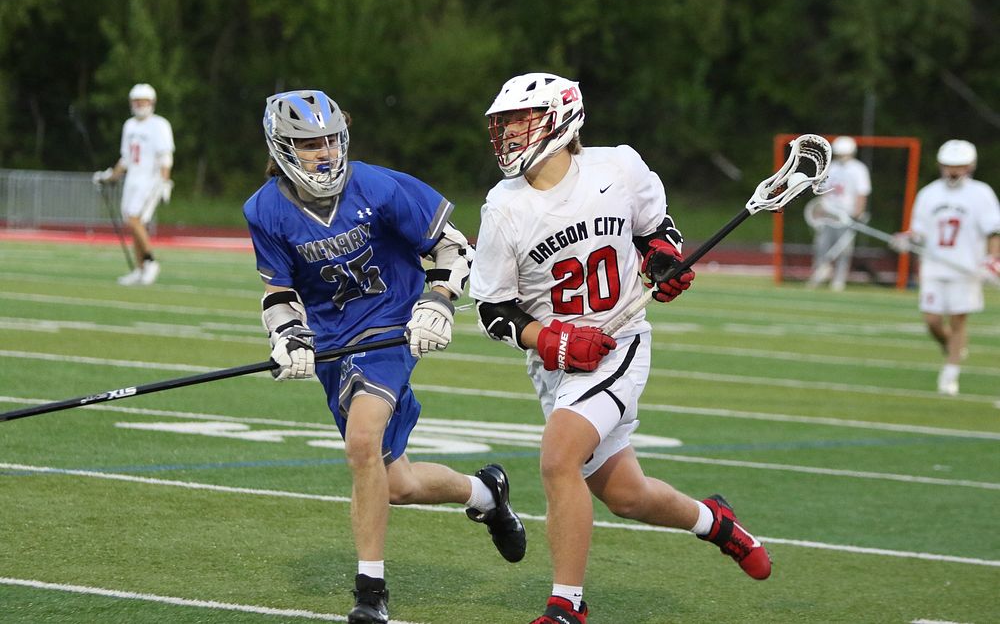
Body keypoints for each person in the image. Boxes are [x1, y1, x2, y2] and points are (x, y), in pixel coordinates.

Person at [468, 73, 771, 624]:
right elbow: (493, 310)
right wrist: (549, 338)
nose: (509, 133)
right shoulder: (503, 207)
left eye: (520, 119)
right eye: (504, 123)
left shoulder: (617, 167)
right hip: (558, 364)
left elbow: (657, 232)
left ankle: (567, 607)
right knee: (627, 495)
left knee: (558, 457)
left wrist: (663, 263)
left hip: (620, 339)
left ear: (561, 119)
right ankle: (717, 522)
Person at [242, 89, 526, 624]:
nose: (324, 152)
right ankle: (486, 493)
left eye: (330, 139)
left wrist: (437, 301)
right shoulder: (265, 210)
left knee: (362, 442)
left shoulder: (376, 185)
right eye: (308, 144)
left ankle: (371, 593)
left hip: (391, 328)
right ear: (282, 148)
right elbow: (278, 292)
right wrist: (288, 337)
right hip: (334, 345)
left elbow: (452, 245)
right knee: (396, 482)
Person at [892, 140, 1000, 396]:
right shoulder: (929, 193)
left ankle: (950, 374)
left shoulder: (981, 193)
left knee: (958, 321)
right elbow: (918, 230)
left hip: (966, 268)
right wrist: (905, 239)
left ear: (970, 167)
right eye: (949, 166)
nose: (953, 172)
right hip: (933, 266)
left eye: (959, 166)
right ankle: (951, 346)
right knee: (931, 320)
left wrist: (992, 258)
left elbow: (993, 230)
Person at [92, 83, 175, 285]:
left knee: (134, 219)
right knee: (131, 222)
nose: (139, 105)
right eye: (136, 101)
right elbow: (126, 159)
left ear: (151, 103)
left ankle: (150, 261)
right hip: (133, 180)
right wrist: (110, 176)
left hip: (151, 180)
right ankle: (140, 269)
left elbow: (165, 156)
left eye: (143, 101)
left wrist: (164, 180)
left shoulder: (159, 124)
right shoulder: (129, 125)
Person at [806, 135, 871, 291]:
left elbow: (862, 192)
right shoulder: (831, 167)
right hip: (829, 213)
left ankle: (838, 280)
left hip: (846, 215)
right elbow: (823, 189)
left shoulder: (859, 169)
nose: (842, 157)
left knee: (843, 249)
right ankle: (820, 273)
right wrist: (821, 207)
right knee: (822, 245)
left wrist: (858, 212)